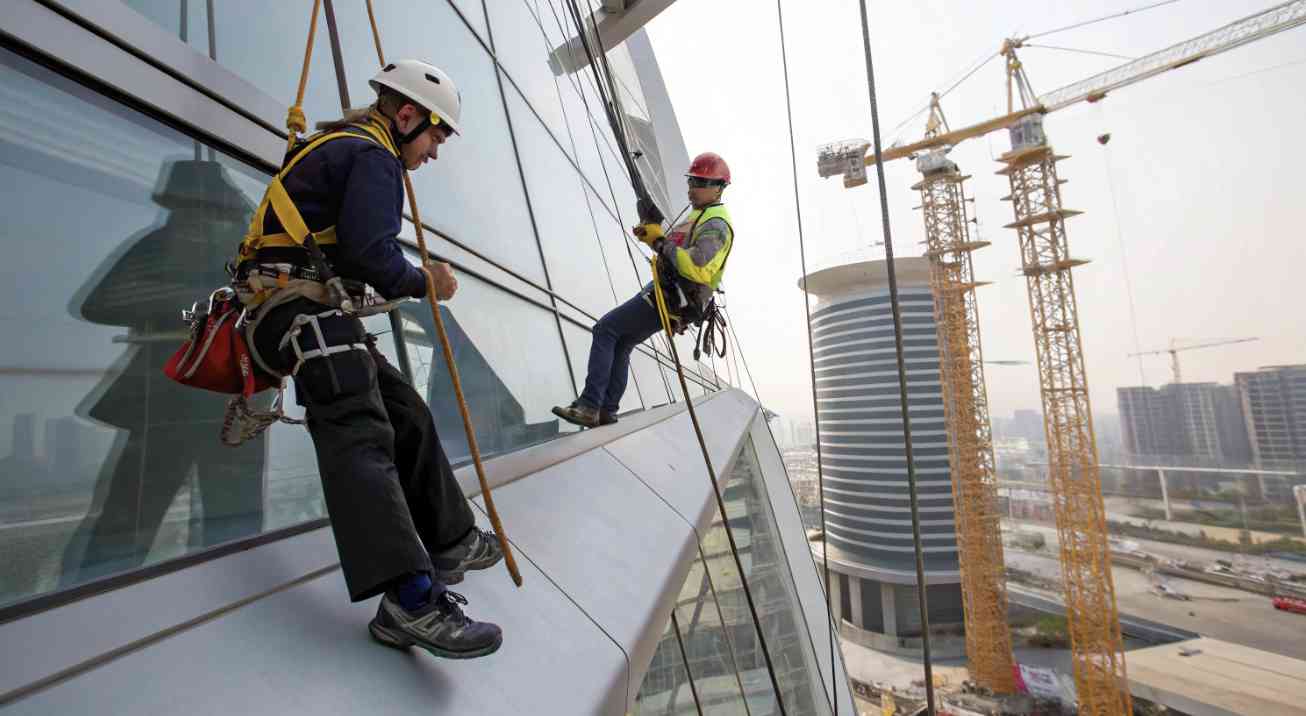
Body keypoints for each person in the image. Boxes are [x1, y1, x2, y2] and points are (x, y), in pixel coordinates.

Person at [232, 59, 503, 659]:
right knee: (360, 430)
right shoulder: (373, 156)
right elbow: (367, 255)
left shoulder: (345, 146)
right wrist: (425, 280)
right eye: (436, 135)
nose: (434, 152)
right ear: (406, 115)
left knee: (404, 411)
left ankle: (453, 538)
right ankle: (410, 601)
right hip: (300, 312)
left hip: (300, 311)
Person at [553, 152, 733, 428]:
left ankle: (590, 405)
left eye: (700, 182)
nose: (692, 188)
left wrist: (659, 241)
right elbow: (676, 250)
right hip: (670, 294)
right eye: (691, 181)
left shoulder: (716, 223)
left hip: (672, 295)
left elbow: (695, 265)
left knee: (606, 329)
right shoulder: (699, 216)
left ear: (719, 188)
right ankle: (606, 410)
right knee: (623, 342)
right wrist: (655, 235)